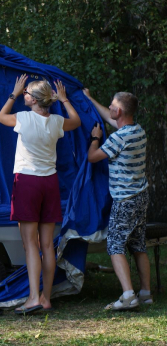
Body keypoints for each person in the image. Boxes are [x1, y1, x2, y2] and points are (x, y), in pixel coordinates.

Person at [0, 74, 81, 314]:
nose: (23, 95)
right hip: (50, 184)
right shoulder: (56, 121)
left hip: (27, 182)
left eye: (26, 93)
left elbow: (1, 116)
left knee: (30, 245)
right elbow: (75, 121)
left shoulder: (23, 118)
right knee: (46, 245)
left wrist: (12, 93)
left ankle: (33, 297)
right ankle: (46, 298)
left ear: (33, 99)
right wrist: (64, 100)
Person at [85, 89, 152, 310]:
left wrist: (95, 139)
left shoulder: (118, 138)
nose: (110, 108)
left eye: (112, 105)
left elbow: (93, 158)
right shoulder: (136, 131)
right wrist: (90, 99)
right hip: (141, 196)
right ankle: (145, 293)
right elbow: (109, 116)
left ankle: (127, 295)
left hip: (125, 200)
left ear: (119, 111)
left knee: (115, 245)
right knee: (138, 244)